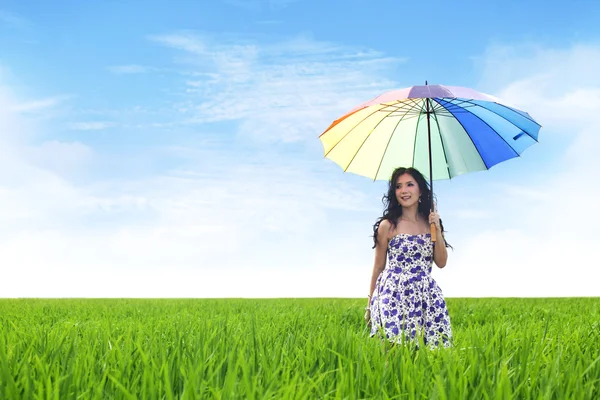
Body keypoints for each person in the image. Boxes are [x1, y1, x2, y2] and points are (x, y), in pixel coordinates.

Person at [364, 166, 452, 349]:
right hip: (392, 293)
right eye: (398, 186)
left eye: (410, 185)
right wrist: (369, 306)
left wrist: (438, 228)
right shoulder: (387, 226)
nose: (403, 191)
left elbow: (441, 262)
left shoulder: (431, 224)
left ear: (420, 190)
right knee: (394, 351)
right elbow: (378, 268)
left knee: (428, 352)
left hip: (424, 295)